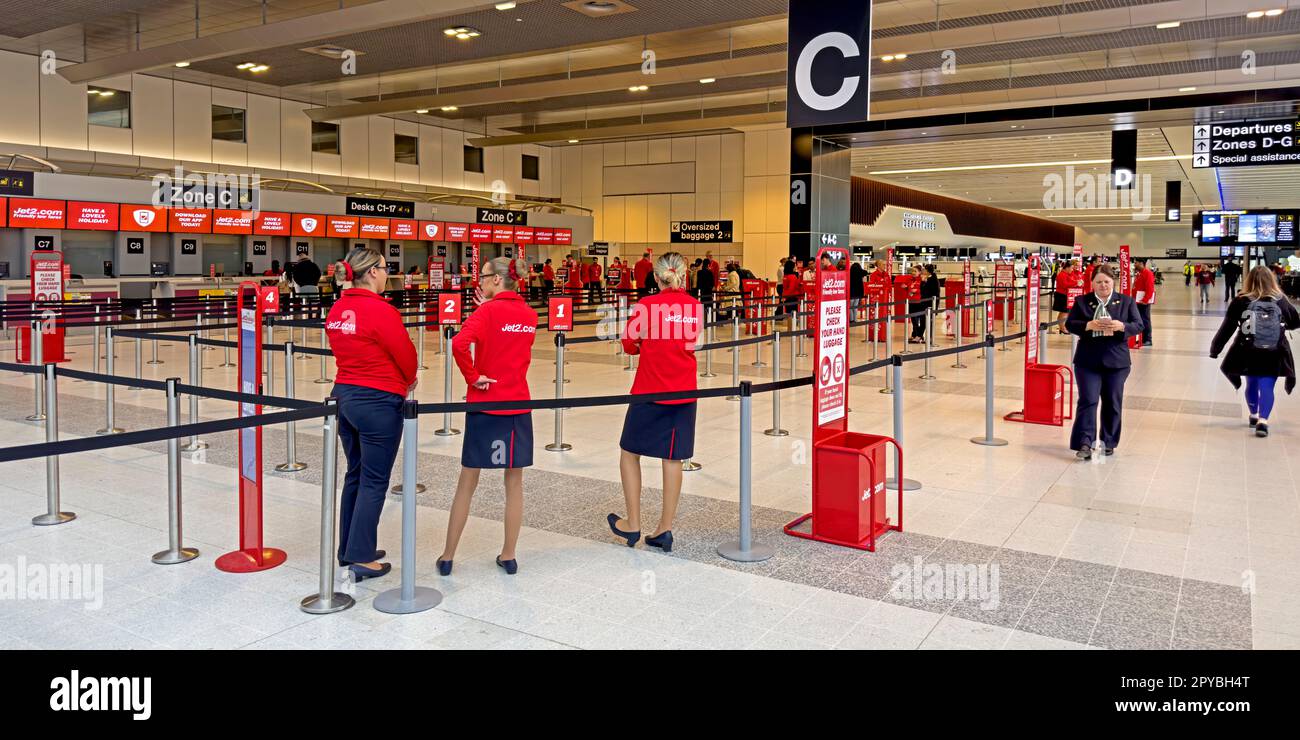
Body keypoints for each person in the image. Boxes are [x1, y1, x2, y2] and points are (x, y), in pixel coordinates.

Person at [438, 257, 537, 576]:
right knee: (514, 483)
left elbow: (460, 343)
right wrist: (488, 309)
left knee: (468, 481)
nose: (477, 281)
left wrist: (473, 375)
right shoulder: (529, 315)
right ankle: (509, 554)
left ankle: (448, 555)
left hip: (485, 404)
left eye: (482, 277)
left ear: (497, 280)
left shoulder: (487, 311)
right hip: (517, 404)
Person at [324, 246, 418, 581]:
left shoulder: (338, 308)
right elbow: (406, 354)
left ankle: (349, 548)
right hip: (378, 402)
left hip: (344, 398)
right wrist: (409, 380)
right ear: (373, 272)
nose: (387, 272)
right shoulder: (380, 311)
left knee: (356, 475)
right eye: (385, 267)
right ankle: (362, 556)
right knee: (374, 480)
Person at [607, 252, 701, 553]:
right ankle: (664, 528)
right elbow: (694, 342)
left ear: (656, 277)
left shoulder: (647, 306)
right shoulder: (695, 307)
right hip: (684, 391)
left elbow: (629, 344)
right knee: (673, 458)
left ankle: (632, 522)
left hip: (650, 390)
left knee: (629, 452)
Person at [1210, 266, 1300, 438]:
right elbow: (1295, 322)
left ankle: (1253, 415)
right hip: (1274, 351)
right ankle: (1263, 421)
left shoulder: (1240, 301)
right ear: (1271, 280)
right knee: (1267, 385)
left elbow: (1227, 328)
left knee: (1251, 383)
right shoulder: (1281, 300)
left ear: (1248, 280)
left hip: (1247, 351)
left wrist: (1215, 349)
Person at [1065, 264, 1144, 460]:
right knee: (1088, 400)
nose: (1103, 285)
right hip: (1088, 360)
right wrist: (1087, 325)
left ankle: (1108, 441)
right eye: (1098, 282)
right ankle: (1084, 442)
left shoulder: (1126, 302)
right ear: (1092, 283)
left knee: (1112, 402)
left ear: (1113, 283)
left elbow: (1139, 325)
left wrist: (1122, 326)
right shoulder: (1082, 301)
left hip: (1117, 361)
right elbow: (1070, 324)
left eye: (1107, 282)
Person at [1132, 257, 1156, 347]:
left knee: (1145, 320)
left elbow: (1150, 288)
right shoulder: (1139, 273)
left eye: (1136, 263)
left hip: (1143, 301)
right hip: (1138, 301)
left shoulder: (1147, 273)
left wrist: (1146, 300)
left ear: (1141, 263)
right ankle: (1142, 339)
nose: (1134, 264)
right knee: (1140, 320)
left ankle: (1148, 339)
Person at [1053, 259, 1080, 332]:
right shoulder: (1062, 275)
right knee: (1064, 312)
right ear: (1067, 268)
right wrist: (1076, 283)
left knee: (1065, 312)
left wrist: (1076, 282)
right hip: (1062, 295)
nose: (1072, 269)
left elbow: (1071, 281)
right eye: (1071, 268)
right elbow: (1065, 285)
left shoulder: (1066, 274)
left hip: (1065, 295)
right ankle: (1062, 328)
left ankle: (1062, 327)